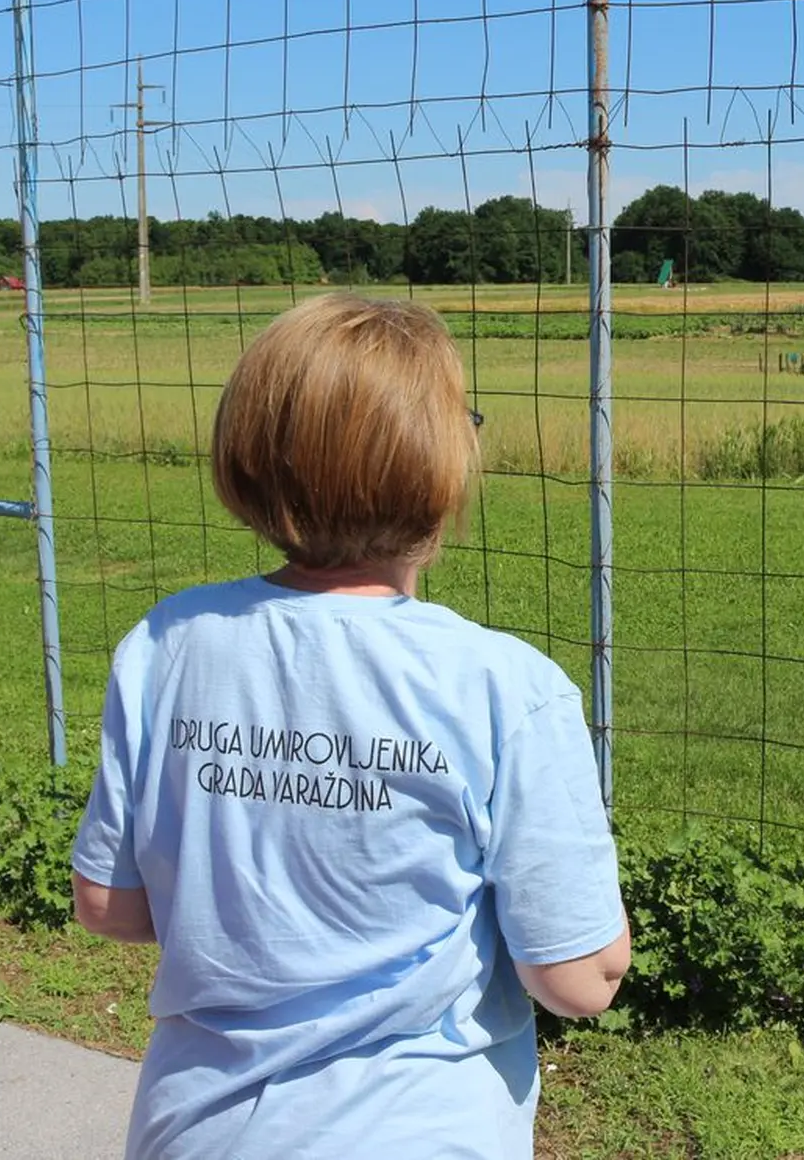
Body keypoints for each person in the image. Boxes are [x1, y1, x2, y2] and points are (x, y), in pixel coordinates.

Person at [70, 293, 630, 1159]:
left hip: (195, 1128)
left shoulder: (166, 645)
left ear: (252, 456)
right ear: (439, 462)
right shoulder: (505, 688)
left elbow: (107, 904)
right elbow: (578, 980)